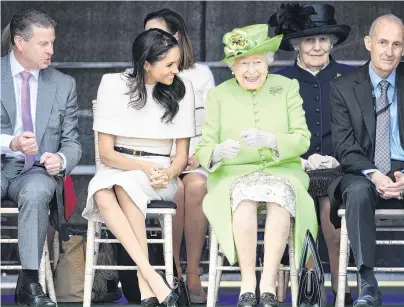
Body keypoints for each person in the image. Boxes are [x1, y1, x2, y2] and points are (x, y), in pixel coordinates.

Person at [195, 24, 318, 307]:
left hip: (281, 170)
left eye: (257, 62)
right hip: (234, 174)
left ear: (268, 63)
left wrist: (273, 140)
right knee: (244, 200)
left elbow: (302, 140)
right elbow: (203, 149)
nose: (251, 70)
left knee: (279, 198)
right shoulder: (218, 95)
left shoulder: (287, 87)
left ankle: (268, 283)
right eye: (244, 63)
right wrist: (217, 152)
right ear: (232, 67)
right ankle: (248, 281)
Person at [82, 28, 196, 307]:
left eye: (176, 62)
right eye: (169, 64)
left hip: (159, 175)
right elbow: (106, 154)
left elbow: (180, 157)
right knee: (103, 189)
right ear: (146, 63)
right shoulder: (112, 84)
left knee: (120, 187)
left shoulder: (183, 89)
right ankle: (150, 280)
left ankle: (147, 284)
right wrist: (142, 166)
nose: (176, 69)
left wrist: (168, 173)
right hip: (119, 166)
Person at [269, 3, 354, 303]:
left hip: (339, 167)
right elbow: (273, 132)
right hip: (294, 166)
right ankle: (309, 284)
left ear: (332, 43)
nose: (317, 47)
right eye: (309, 40)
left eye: (323, 40)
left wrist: (338, 159)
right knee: (300, 201)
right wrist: (301, 161)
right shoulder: (277, 81)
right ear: (296, 44)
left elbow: (362, 132)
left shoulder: (353, 77)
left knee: (331, 206)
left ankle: (339, 284)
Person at [1, 8, 82, 307]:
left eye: (52, 43)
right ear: (20, 43)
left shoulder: (63, 84)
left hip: (34, 171)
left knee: (37, 193)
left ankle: (30, 284)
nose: (52, 50)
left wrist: (60, 159)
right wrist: (11, 142)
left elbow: (73, 142)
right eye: (44, 44)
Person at [328, 14, 404, 307]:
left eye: (397, 44)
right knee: (358, 192)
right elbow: (344, 146)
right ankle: (368, 282)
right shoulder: (344, 87)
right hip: (362, 169)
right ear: (368, 43)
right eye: (383, 42)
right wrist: (375, 174)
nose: (389, 51)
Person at [144, 8, 215, 303]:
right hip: (158, 159)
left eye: (158, 34)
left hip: (195, 156)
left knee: (196, 185)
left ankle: (194, 271)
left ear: (176, 36)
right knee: (177, 189)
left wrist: (198, 155)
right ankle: (172, 272)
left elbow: (213, 122)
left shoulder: (200, 74)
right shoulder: (143, 73)